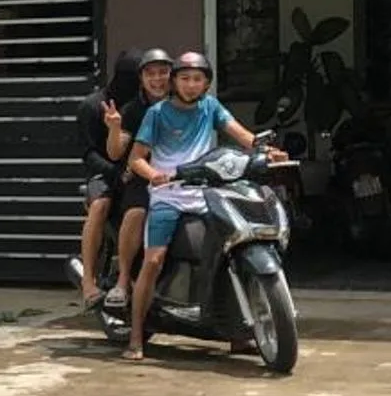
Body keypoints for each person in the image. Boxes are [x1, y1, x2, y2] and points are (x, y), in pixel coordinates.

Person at [121, 50, 271, 362]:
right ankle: (136, 335)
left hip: (208, 192)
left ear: (207, 84)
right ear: (174, 82)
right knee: (153, 260)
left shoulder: (210, 107)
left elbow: (243, 135)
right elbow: (136, 158)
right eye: (185, 78)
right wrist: (155, 176)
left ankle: (238, 333)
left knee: (232, 249)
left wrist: (268, 150)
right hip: (170, 194)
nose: (191, 85)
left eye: (198, 79)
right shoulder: (157, 113)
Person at [76, 49, 173, 306]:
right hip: (105, 173)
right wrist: (115, 172)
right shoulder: (95, 105)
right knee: (100, 206)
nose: (155, 80)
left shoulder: (151, 103)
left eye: (161, 73)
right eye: (145, 74)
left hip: (138, 172)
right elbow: (90, 153)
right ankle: (88, 280)